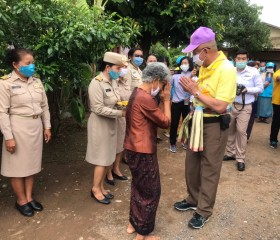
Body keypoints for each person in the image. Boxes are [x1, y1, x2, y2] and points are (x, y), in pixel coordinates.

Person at [174, 26, 236, 229]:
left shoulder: (226, 69)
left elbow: (220, 105)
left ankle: (204, 210)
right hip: (197, 120)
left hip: (214, 124)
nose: (193, 56)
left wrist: (195, 91)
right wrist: (192, 90)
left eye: (194, 51)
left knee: (209, 167)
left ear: (205, 50)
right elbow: (200, 94)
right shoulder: (204, 67)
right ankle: (193, 199)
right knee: (192, 163)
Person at [0, 48, 51, 217]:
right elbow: (2, 112)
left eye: (33, 62)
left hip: (35, 127)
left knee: (32, 164)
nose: (32, 66)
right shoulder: (5, 83)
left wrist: (47, 126)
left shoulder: (36, 82)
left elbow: (45, 106)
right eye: (27, 63)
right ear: (15, 65)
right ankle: (21, 200)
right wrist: (9, 137)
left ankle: (29, 197)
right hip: (17, 128)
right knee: (17, 167)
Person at [124, 62, 171, 240]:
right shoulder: (145, 98)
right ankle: (142, 234)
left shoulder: (137, 92)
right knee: (151, 191)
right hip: (143, 151)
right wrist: (166, 99)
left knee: (138, 187)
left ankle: (133, 224)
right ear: (157, 80)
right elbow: (165, 122)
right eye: (163, 84)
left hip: (132, 147)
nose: (163, 88)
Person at [86, 52, 127, 205]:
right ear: (108, 67)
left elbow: (115, 101)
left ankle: (101, 187)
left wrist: (122, 106)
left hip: (111, 123)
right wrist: (121, 113)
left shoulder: (113, 82)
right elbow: (97, 108)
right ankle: (95, 189)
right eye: (118, 68)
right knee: (101, 159)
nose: (120, 71)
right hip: (100, 124)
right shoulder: (96, 83)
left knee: (109, 156)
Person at [224, 49, 263, 171]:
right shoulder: (230, 71)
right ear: (235, 60)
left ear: (247, 60)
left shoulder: (253, 72)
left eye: (243, 59)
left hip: (245, 106)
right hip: (231, 105)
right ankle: (230, 153)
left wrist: (247, 89)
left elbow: (260, 88)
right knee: (230, 129)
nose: (241, 61)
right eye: (238, 59)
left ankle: (240, 158)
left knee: (241, 131)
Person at [106, 66, 130, 185]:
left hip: (122, 116)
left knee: (120, 144)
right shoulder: (111, 81)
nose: (123, 70)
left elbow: (128, 97)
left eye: (125, 67)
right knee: (111, 145)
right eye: (120, 67)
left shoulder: (125, 81)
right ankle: (108, 172)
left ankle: (116, 168)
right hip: (112, 115)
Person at [169, 56, 196, 153]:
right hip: (176, 103)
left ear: (190, 64)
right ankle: (172, 143)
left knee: (187, 123)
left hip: (187, 103)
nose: (184, 65)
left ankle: (185, 141)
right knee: (174, 123)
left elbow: (191, 86)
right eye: (182, 63)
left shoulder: (193, 74)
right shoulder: (175, 76)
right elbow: (169, 84)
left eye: (186, 63)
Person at [270, 69, 280, 148]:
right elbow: (278, 78)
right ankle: (273, 139)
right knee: (276, 121)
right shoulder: (277, 72)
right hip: (278, 102)